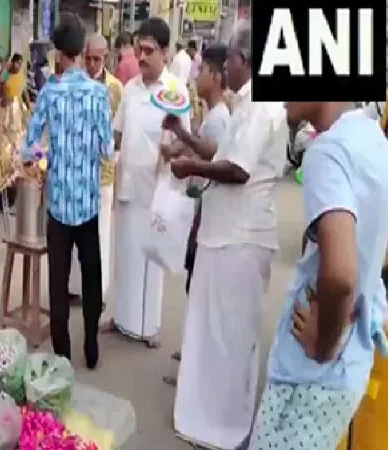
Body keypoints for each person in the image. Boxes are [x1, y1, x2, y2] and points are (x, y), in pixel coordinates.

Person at [166, 24, 286, 449]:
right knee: (214, 331)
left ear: (245, 61)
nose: (225, 67)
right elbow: (224, 156)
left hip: (240, 237)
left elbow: (238, 170)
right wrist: (191, 152)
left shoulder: (261, 105)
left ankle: (220, 424)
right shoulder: (246, 104)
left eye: (230, 59)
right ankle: (206, 415)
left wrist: (190, 168)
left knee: (228, 335)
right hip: (226, 236)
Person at [245, 104, 388, 450]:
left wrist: (323, 344)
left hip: (311, 376)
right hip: (349, 365)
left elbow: (340, 275)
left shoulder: (328, 152)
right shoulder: (372, 138)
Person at [24, 14, 112, 368]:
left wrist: (48, 154)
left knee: (58, 282)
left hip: (58, 203)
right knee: (91, 277)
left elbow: (30, 147)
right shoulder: (99, 93)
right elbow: (107, 149)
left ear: (58, 52)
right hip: (88, 201)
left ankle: (62, 353)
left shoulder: (48, 93)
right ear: (83, 51)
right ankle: (91, 345)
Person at [111, 17, 190, 348]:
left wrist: (172, 149)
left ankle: (147, 328)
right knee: (126, 254)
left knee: (150, 260)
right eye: (138, 50)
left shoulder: (175, 91)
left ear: (165, 53)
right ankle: (121, 320)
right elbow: (117, 133)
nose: (141, 57)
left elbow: (187, 139)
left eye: (148, 51)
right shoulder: (130, 89)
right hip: (127, 185)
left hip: (156, 188)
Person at [159, 45, 230, 383]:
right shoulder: (213, 114)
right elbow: (197, 144)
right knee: (193, 285)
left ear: (216, 77)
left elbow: (209, 153)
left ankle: (193, 363)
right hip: (203, 209)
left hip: (208, 212)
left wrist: (181, 138)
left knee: (198, 289)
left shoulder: (220, 117)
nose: (196, 77)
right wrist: (178, 140)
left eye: (201, 72)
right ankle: (190, 351)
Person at [68, 33, 123, 306]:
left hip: (101, 173)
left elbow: (116, 133)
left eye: (96, 59)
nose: (91, 64)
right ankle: (75, 287)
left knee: (100, 234)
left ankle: (96, 293)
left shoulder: (114, 89)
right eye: (87, 58)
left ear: (106, 57)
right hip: (76, 171)